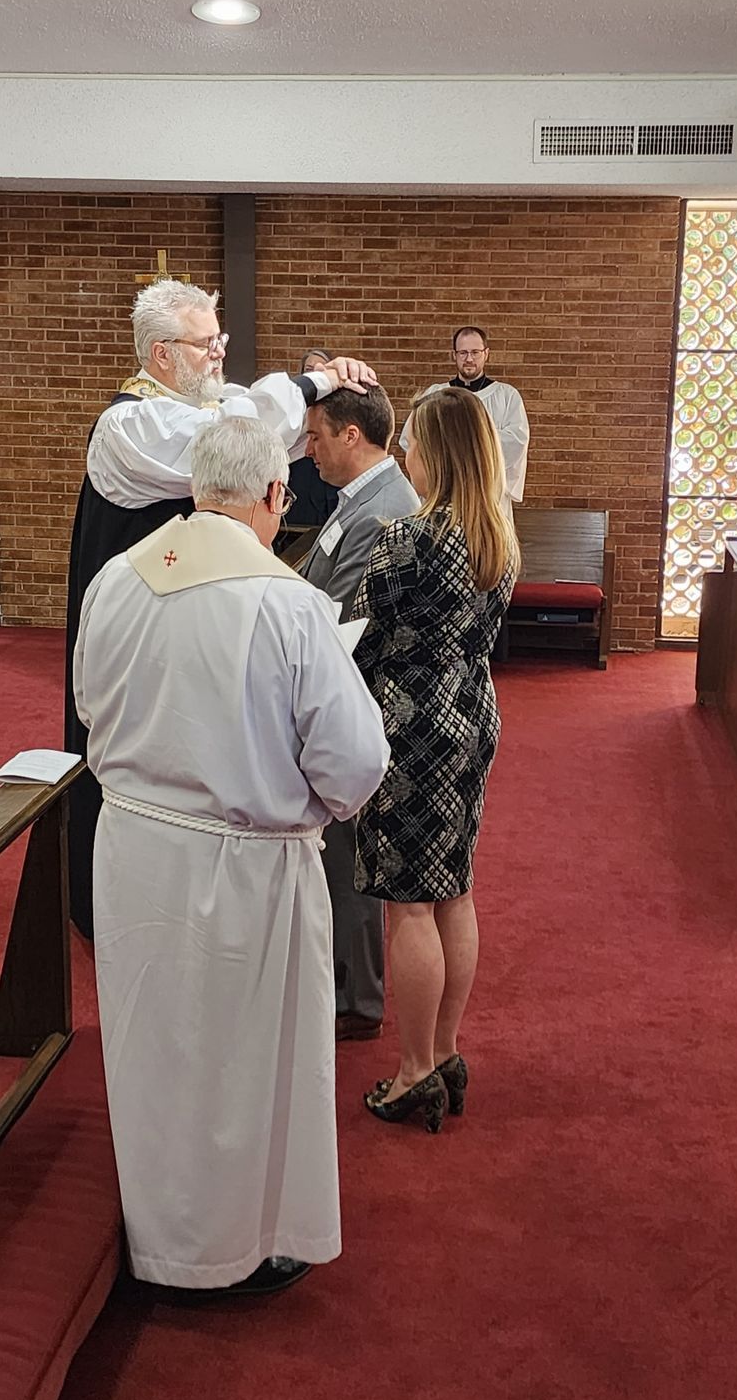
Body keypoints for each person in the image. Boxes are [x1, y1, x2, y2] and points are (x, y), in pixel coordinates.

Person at [72, 417, 390, 1295]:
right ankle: (238, 1247)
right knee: (247, 1061)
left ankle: (157, 1234)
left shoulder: (115, 580)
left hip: (132, 849)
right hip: (244, 869)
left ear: (191, 489)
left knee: (155, 1049)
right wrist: (310, 808)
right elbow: (357, 761)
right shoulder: (285, 602)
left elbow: (90, 708)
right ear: (275, 497)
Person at [63, 280, 376, 937]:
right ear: (160, 355)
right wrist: (310, 383)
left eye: (219, 340)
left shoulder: (212, 405)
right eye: (207, 344)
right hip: (146, 626)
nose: (218, 356)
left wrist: (318, 388)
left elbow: (257, 431)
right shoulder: (128, 424)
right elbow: (229, 437)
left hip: (197, 627)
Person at [353, 387, 519, 1132]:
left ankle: (414, 1068)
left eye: (413, 443)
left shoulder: (410, 539)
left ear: (438, 454)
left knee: (410, 903)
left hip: (411, 725)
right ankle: (445, 1049)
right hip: (471, 712)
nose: (404, 454)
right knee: (454, 887)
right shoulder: (495, 536)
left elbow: (362, 636)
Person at [298, 384, 421, 1041]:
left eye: (316, 435)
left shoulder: (382, 509)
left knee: (349, 857)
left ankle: (356, 999)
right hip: (343, 688)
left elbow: (338, 617)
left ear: (352, 434)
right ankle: (346, 984)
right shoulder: (359, 498)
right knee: (339, 853)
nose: (307, 448)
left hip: (358, 696)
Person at [401, 325, 530, 516]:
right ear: (454, 355)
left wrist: (457, 443)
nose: (469, 359)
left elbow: (517, 441)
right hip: (443, 495)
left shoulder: (506, 396)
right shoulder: (435, 394)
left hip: (487, 495)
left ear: (486, 354)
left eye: (475, 352)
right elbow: (411, 439)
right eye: (463, 352)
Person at [286, 350, 341, 527]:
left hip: (319, 475)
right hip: (292, 469)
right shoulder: (292, 403)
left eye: (321, 369)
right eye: (308, 369)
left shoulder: (335, 405)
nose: (314, 373)